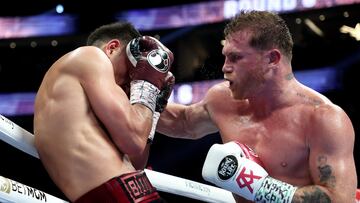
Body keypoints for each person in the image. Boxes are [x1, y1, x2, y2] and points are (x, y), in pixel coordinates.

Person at [156, 10, 357, 202]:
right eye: (225, 56)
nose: (225, 67)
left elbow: (338, 199)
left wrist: (261, 189)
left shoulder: (323, 118)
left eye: (235, 57)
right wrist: (133, 93)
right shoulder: (223, 100)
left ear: (272, 59)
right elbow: (182, 122)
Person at [33, 21, 174, 203]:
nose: (130, 82)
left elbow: (136, 162)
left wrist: (153, 111)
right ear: (112, 48)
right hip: (117, 195)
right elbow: (134, 140)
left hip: (126, 192)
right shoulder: (91, 56)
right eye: (130, 70)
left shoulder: (85, 100)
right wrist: (148, 85)